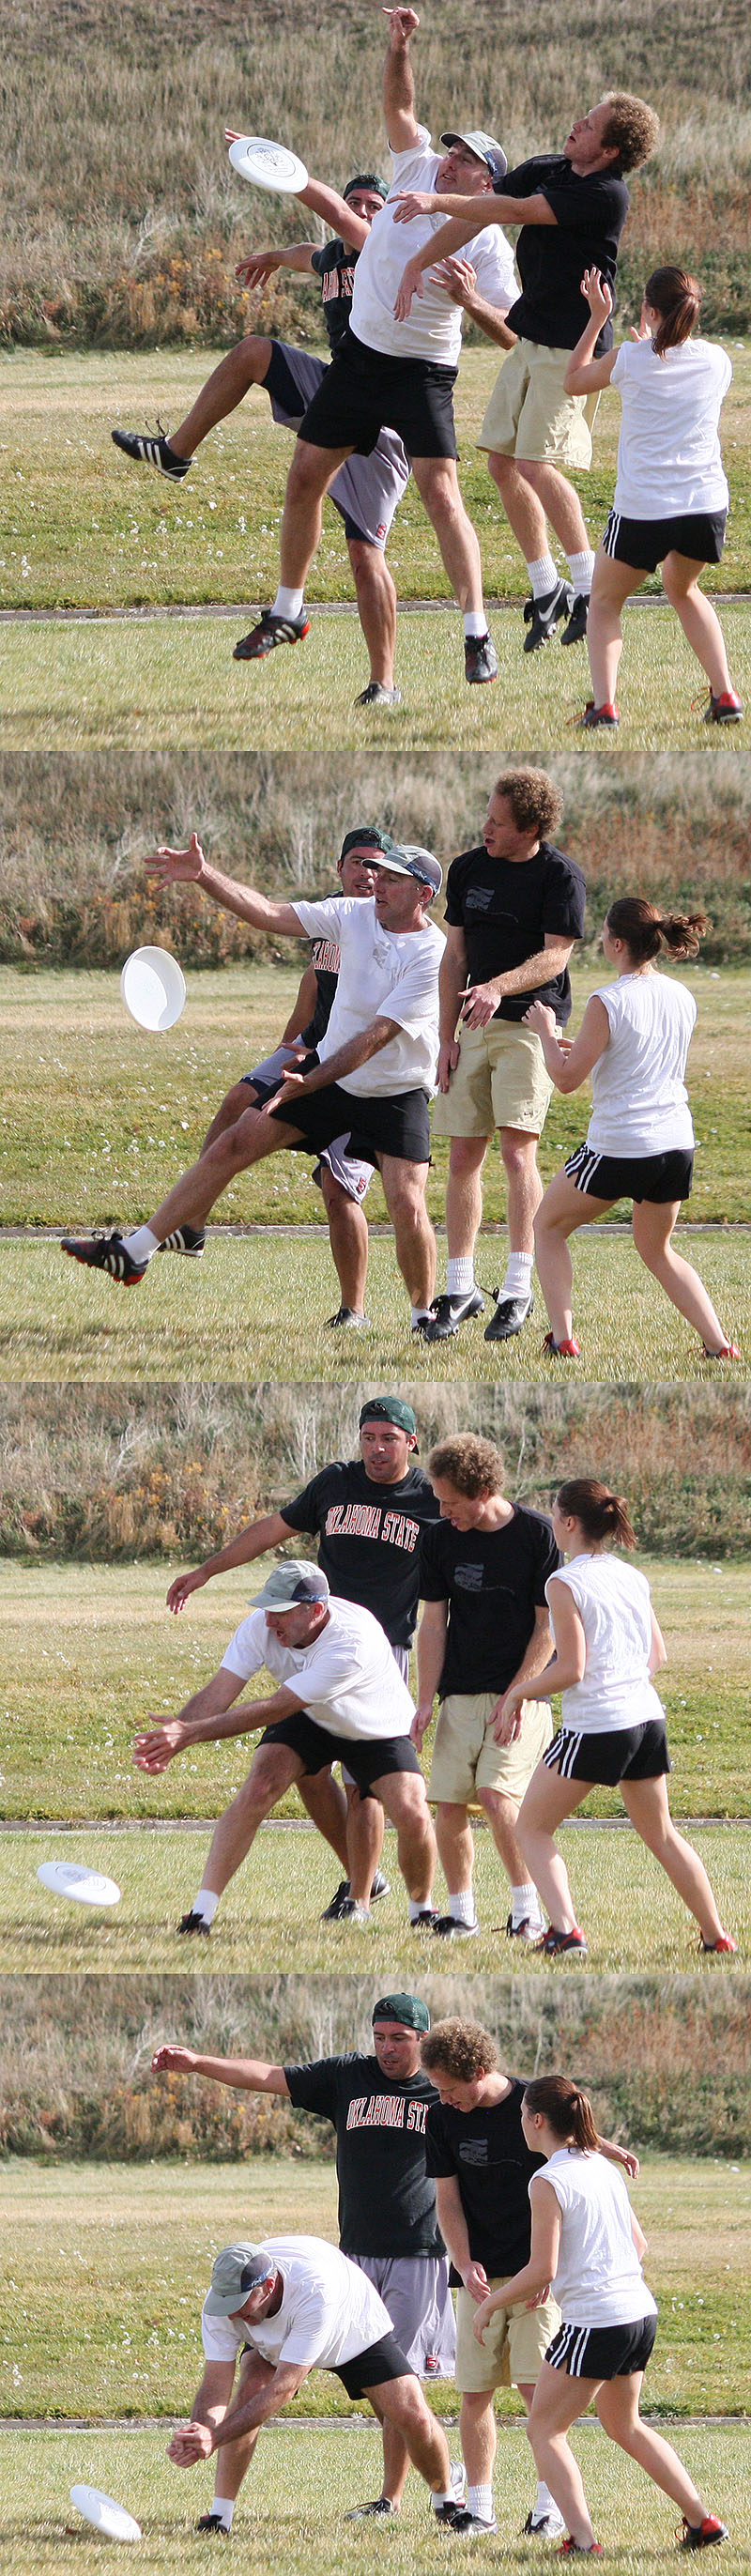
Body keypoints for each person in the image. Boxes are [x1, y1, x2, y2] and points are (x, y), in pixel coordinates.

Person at [62, 836, 445, 1337]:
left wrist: (305, 1082)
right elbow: (265, 912)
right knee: (234, 1141)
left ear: (423, 895)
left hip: (395, 1089)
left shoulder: (431, 952)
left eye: (393, 878)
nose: (378, 883)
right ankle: (135, 1253)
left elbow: (374, 1038)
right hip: (331, 1079)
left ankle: (423, 1316)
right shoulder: (353, 914)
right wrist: (203, 875)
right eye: (377, 873)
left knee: (406, 1202)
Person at [238, 7, 517, 688]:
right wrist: (398, 45)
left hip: (424, 370)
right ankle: (287, 609)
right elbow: (401, 103)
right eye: (452, 150)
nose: (451, 160)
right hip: (361, 358)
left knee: (440, 491)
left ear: (490, 184)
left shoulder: (488, 240)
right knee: (305, 477)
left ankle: (477, 634)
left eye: (468, 159)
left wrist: (471, 300)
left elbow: (511, 333)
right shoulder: (415, 164)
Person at [151, 1991, 457, 2525]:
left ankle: (396, 2499)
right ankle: (219, 2514)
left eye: (399, 2040)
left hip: (419, 2251)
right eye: (379, 2037)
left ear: (423, 2039)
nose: (387, 2049)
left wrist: (593, 2142)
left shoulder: (442, 2087)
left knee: (402, 2400)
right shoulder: (346, 2077)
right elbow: (267, 2076)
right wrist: (199, 2063)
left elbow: (513, 2107)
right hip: (353, 2252)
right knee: (254, 2378)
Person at [113, 166, 411, 708]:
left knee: (366, 556)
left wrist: (281, 168)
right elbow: (309, 251)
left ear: (387, 214)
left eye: (375, 204)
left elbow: (337, 219)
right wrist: (272, 259)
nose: (365, 210)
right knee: (254, 351)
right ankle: (176, 453)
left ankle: (384, 684)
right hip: (337, 390)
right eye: (358, 202)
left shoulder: (382, 248)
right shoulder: (334, 257)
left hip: (386, 419)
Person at [392, 90, 658, 653]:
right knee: (501, 462)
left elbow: (514, 212)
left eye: (588, 126)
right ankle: (547, 588)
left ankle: (588, 589)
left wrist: (438, 202)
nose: (575, 125)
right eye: (580, 118)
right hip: (532, 336)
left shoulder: (605, 194)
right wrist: (418, 261)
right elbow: (481, 218)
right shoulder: (547, 168)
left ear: (609, 150)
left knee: (537, 464)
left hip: (574, 345)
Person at [165, 1392, 440, 1920]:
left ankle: (362, 1897)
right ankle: (360, 1883)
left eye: (389, 1439)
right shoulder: (336, 1481)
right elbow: (274, 1527)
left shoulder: (429, 1497)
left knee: (364, 1785)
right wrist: (207, 1571)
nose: (377, 1449)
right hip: (310, 1633)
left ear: (410, 1442)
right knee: (305, 1772)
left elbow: (469, 1539)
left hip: (377, 1655)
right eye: (368, 1437)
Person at [472, 2074, 729, 2555]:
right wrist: (560, 2279)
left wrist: (489, 2303)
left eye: (522, 2115)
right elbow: (637, 2245)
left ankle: (583, 2541)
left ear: (538, 2120)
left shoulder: (547, 2179)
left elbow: (540, 2266)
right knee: (624, 2425)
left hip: (597, 2321)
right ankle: (703, 2522)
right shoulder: (598, 2165)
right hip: (639, 2313)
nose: (520, 2124)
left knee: (543, 2429)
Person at [146, 825, 382, 1326]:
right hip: (311, 1048)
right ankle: (192, 1225)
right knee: (237, 1101)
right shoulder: (330, 915)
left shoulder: (390, 926)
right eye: (358, 862)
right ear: (339, 869)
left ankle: (353, 1310)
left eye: (377, 865)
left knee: (337, 1188)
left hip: (361, 1069)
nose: (367, 873)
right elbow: (315, 981)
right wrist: (289, 1044)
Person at [497, 1476, 737, 1959]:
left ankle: (565, 1933)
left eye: (553, 1513)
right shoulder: (632, 1575)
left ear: (568, 1522)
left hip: (598, 1726)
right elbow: (658, 1656)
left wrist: (518, 1692)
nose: (550, 1522)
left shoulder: (563, 1581)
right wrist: (626, 1691)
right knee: (662, 1835)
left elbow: (572, 1669)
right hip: (648, 1720)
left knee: (531, 1828)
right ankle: (717, 1937)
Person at [133, 1557, 439, 1935]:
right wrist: (177, 1733)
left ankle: (422, 1910)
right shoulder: (262, 1626)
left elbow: (275, 1707)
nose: (268, 1620)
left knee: (412, 1812)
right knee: (261, 1785)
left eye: (280, 1612)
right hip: (311, 1714)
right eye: (266, 1608)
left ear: (316, 1610)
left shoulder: (352, 1641)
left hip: (374, 1724)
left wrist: (190, 1734)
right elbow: (220, 1690)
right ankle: (201, 1914)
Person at [419, 2017, 638, 2540]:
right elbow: (447, 2199)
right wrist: (463, 2259)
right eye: (437, 2091)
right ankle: (480, 2508)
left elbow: (568, 2129)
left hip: (539, 2276)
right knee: (473, 2394)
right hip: (478, 2278)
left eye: (449, 2089)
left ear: (478, 2071)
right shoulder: (441, 2118)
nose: (444, 2099)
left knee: (537, 2395)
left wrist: (605, 2147)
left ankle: (549, 2508)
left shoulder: (527, 2106)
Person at [525, 896, 741, 1362]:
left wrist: (543, 1031)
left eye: (603, 933)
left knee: (546, 1226)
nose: (600, 939)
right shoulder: (682, 995)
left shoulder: (608, 1000)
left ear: (617, 942)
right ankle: (719, 1345)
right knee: (657, 1250)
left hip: (621, 1145)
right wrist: (581, 1045)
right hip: (675, 1145)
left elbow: (564, 1080)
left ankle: (563, 1340)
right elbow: (635, 1053)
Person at [427, 769, 586, 1343]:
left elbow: (555, 959)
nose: (485, 828)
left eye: (498, 822)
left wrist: (498, 988)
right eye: (486, 815)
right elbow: (454, 957)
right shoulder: (468, 868)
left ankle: (517, 1289)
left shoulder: (560, 877)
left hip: (529, 1025)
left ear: (532, 828)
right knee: (463, 1155)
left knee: (518, 1154)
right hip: (469, 1025)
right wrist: (445, 1037)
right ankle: (461, 1288)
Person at [167, 2231, 460, 2535]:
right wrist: (200, 2429)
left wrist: (215, 2439)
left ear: (268, 2286)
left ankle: (447, 2503)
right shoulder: (225, 2304)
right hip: (277, 2325)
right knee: (250, 2392)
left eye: (242, 2303)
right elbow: (215, 2384)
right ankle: (219, 2516)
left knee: (410, 2415)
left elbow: (284, 2387)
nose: (233, 2314)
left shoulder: (314, 2291)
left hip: (352, 2326)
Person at [562, 265, 743, 728]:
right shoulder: (719, 360)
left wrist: (597, 318)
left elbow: (574, 381)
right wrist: (650, 344)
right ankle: (725, 696)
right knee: (683, 589)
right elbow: (671, 364)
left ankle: (604, 708)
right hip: (705, 505)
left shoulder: (628, 358)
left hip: (645, 508)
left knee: (603, 602)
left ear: (649, 310)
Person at [412, 1434, 559, 1940]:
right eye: (438, 1500)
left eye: (450, 1502)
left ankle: (526, 1913)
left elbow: (548, 1628)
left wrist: (519, 1693)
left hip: (522, 1695)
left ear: (482, 1492)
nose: (442, 1510)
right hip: (460, 1693)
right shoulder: (438, 1539)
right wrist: (426, 1700)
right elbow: (432, 1625)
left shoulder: (538, 1535)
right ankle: (462, 1914)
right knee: (449, 1804)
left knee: (496, 1797)